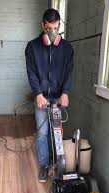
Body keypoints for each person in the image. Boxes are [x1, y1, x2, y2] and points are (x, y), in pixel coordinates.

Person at [25, 8, 74, 183]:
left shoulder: (67, 48)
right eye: (49, 28)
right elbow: (31, 73)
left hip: (58, 97)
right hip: (42, 98)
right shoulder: (32, 47)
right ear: (43, 26)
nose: (53, 32)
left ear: (60, 25)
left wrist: (65, 92)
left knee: (57, 133)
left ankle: (57, 162)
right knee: (42, 133)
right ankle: (44, 166)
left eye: (56, 27)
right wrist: (38, 93)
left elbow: (69, 72)